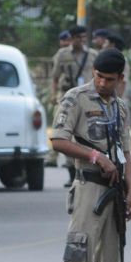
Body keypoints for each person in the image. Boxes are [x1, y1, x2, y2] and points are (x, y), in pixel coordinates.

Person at [48, 48, 131, 262]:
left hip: (114, 191)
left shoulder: (121, 108)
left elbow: (126, 153)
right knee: (79, 254)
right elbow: (58, 140)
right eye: (98, 76)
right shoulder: (76, 98)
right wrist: (95, 156)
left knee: (110, 260)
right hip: (89, 187)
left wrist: (130, 191)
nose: (101, 83)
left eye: (109, 79)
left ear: (120, 79)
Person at [47, 26, 98, 188]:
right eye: (78, 38)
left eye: (83, 38)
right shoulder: (62, 55)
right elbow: (54, 78)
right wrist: (54, 96)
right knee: (64, 134)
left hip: (87, 99)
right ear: (71, 38)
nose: (81, 41)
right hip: (66, 99)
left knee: (84, 136)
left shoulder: (92, 55)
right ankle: (70, 173)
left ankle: (83, 171)